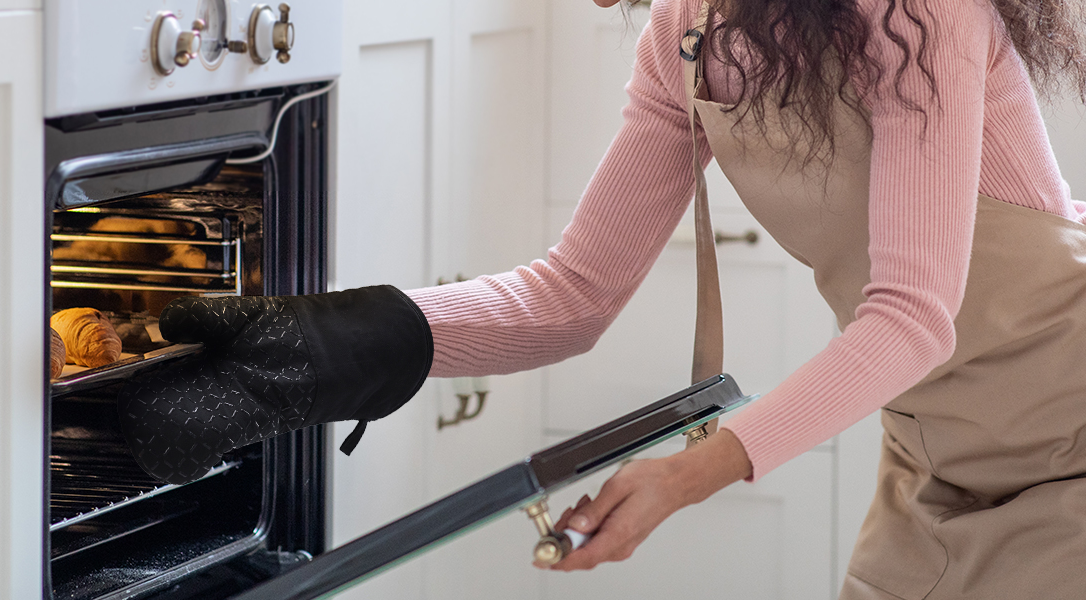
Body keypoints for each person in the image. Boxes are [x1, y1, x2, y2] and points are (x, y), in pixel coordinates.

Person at [118, 0, 1086, 596]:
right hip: (936, 452)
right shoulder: (687, 35)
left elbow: (913, 317)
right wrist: (321, 346)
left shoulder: (918, 15)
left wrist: (685, 477)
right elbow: (572, 296)